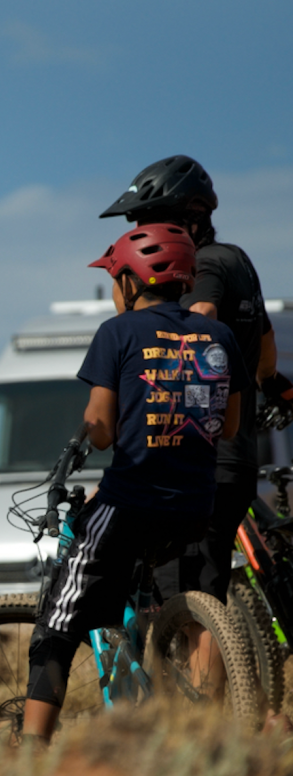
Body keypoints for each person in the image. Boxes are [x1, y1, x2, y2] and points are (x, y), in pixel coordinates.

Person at [23, 223, 245, 742]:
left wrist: (86, 434)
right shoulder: (219, 336)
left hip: (130, 503)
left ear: (130, 279)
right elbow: (231, 426)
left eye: (115, 278)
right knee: (154, 594)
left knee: (58, 621)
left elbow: (101, 429)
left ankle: (29, 751)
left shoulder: (117, 332)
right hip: (196, 506)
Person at [101, 155, 290, 609]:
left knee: (184, 602)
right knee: (206, 587)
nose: (140, 234)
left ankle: (202, 662)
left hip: (195, 462)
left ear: (190, 217)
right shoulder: (236, 260)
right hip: (236, 459)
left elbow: (198, 321)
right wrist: (270, 383)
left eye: (148, 221)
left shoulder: (202, 267)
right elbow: (265, 342)